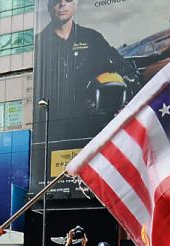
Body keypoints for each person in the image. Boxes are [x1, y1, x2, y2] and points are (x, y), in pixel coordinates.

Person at [34, 0, 139, 141]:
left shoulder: (93, 38)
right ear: (49, 6)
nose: (62, 4)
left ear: (75, 4)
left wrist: (126, 105)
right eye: (56, 0)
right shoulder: (38, 44)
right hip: (53, 131)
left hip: (95, 127)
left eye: (68, 0)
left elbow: (126, 71)